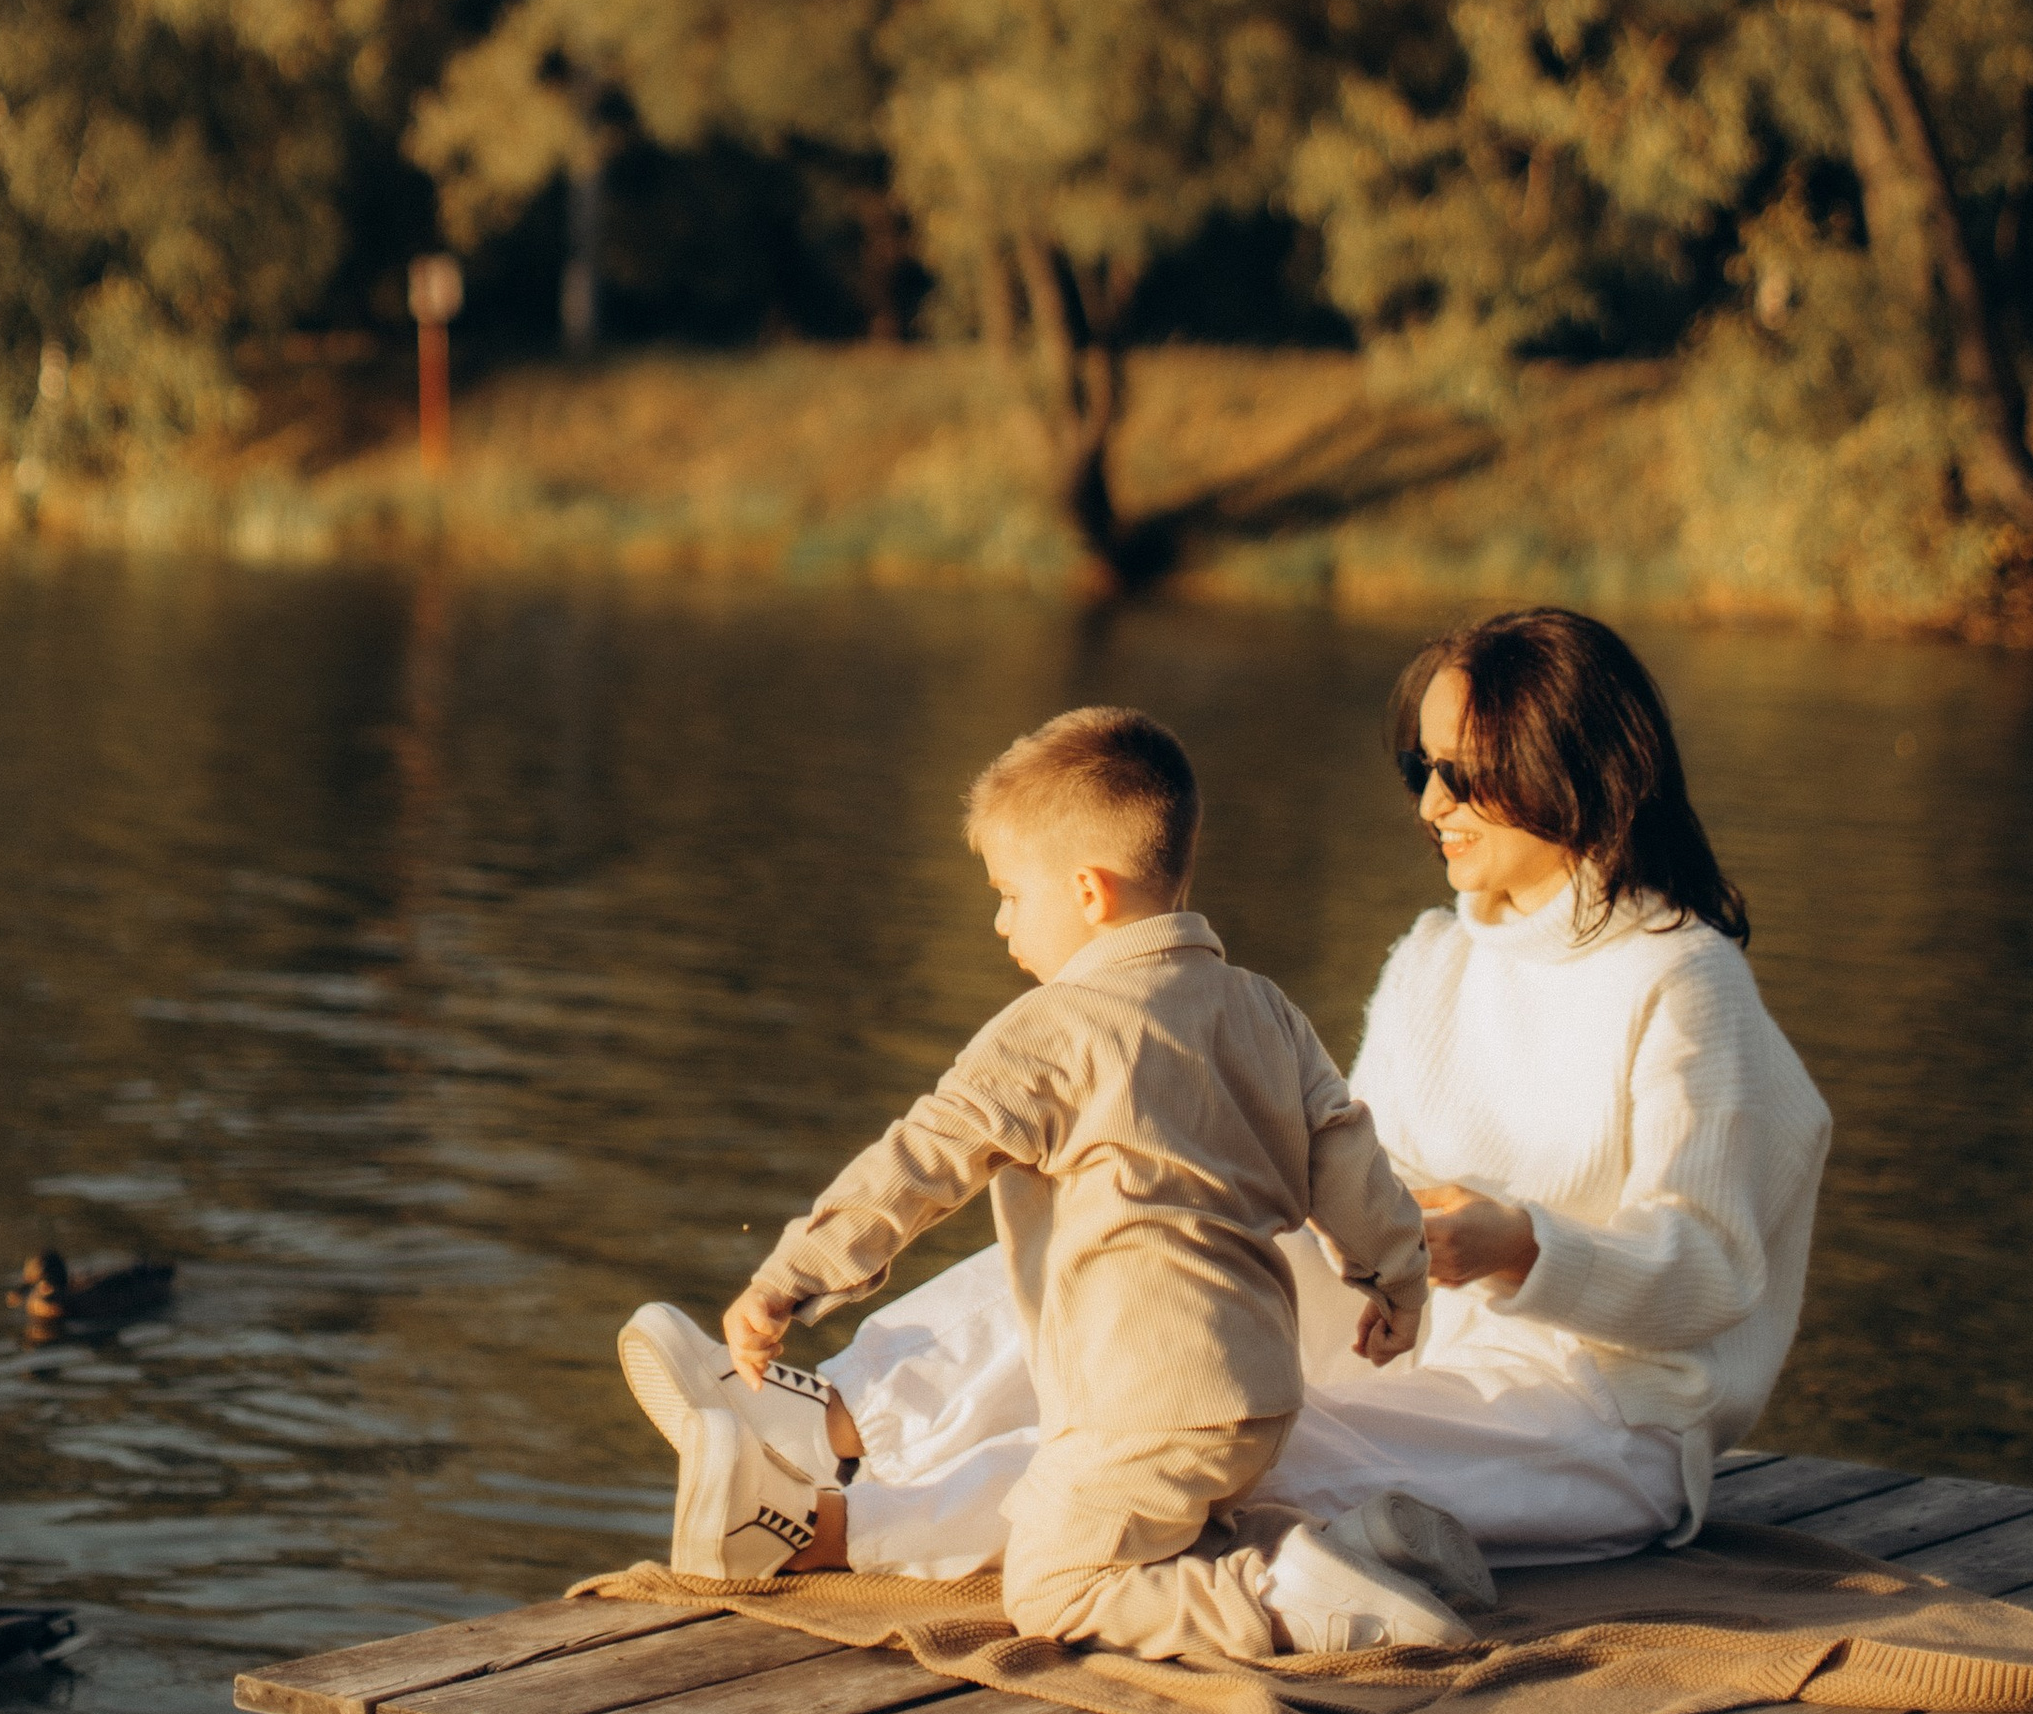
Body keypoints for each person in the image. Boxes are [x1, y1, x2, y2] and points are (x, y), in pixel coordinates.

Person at [723, 610, 1831, 1585]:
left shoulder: (1683, 983)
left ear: (1568, 767)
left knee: (1187, 1439)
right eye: (1420, 769)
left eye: (1463, 774)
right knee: (1140, 1247)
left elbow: (1715, 1276)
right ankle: (820, 1412)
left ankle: (831, 1523)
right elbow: (1327, 1172)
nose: (1431, 803)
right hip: (1406, 1324)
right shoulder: (1435, 956)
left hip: (1596, 1417)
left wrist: (1515, 1245)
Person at [619, 704, 1495, 1659]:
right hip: (1261, 1388)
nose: (1000, 922)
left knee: (1054, 1584)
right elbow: (1347, 1153)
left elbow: (920, 1163)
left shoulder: (1055, 1028)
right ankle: (1363, 1551)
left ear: (1087, 892)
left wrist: (792, 1276)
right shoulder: (1266, 1010)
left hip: (1141, 1402)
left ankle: (1286, 1600)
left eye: (1006, 893)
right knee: (1141, 1529)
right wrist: (1395, 1281)